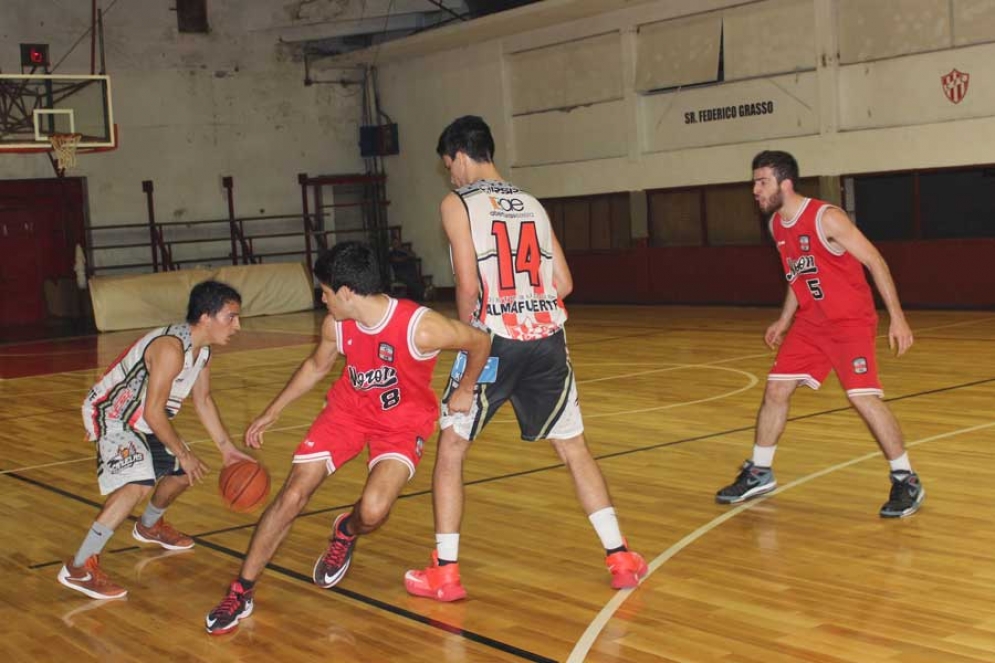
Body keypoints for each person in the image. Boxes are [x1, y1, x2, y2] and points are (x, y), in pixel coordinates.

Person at [404, 116, 647, 602]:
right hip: (547, 340)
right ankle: (619, 556)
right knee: (573, 448)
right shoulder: (532, 203)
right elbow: (564, 285)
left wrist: (467, 362)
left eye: (447, 164)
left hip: (493, 339)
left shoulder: (459, 204)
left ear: (460, 155)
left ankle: (445, 572)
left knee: (451, 448)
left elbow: (470, 289)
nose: (449, 174)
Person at [204, 241, 490, 635]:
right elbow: (317, 365)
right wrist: (273, 409)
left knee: (373, 511)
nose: (321, 300)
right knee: (292, 495)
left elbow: (480, 341)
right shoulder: (336, 323)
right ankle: (241, 590)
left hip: (401, 424)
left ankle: (346, 530)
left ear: (346, 292)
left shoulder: (420, 326)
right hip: (346, 413)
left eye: (324, 292)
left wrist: (466, 388)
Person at [716, 150, 924, 518]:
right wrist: (784, 320)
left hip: (850, 323)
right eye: (754, 181)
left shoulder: (826, 217)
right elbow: (798, 276)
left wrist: (898, 317)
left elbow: (875, 260)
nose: (754, 189)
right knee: (776, 389)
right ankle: (760, 471)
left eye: (761, 181)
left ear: (785, 183)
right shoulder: (776, 226)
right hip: (812, 324)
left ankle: (905, 478)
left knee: (863, 398)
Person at [58, 281, 251, 600]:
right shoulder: (170, 349)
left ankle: (148, 526)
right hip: (114, 415)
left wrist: (228, 451)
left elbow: (203, 400)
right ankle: (79, 566)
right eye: (231, 317)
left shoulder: (202, 352)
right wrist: (183, 451)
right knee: (138, 484)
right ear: (205, 317)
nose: (238, 325)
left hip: (143, 420)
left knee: (183, 473)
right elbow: (153, 411)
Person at [388, 236, 426, 301]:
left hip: (410, 272)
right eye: (395, 243)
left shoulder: (404, 250)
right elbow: (397, 260)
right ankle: (422, 295)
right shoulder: (392, 253)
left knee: (416, 279)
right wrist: (407, 258)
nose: (396, 244)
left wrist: (404, 251)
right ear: (392, 245)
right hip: (400, 273)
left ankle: (421, 295)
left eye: (397, 242)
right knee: (411, 281)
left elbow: (413, 255)